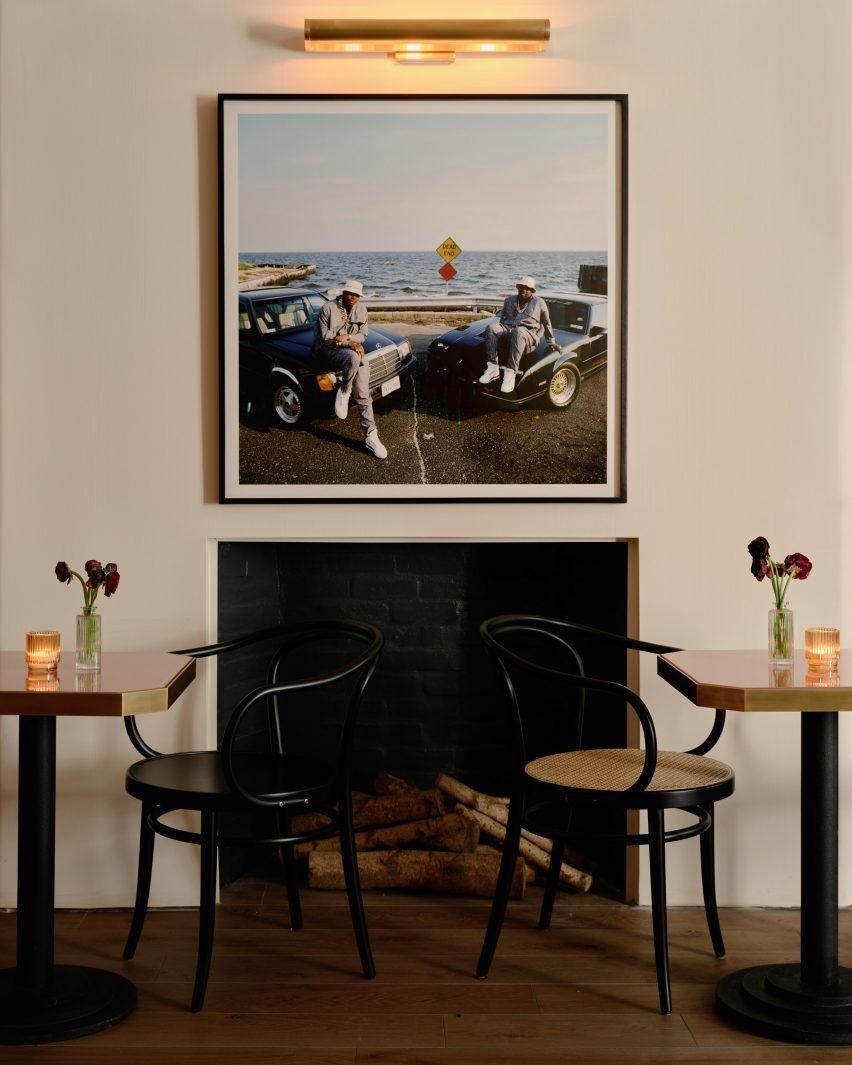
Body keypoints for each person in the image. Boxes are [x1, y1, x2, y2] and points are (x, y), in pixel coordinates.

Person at [313, 279, 387, 460]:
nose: (353, 297)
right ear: (343, 292)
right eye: (350, 293)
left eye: (356, 295)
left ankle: (371, 436)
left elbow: (364, 334)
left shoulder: (361, 309)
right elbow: (326, 338)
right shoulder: (328, 308)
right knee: (354, 356)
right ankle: (344, 391)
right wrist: (351, 342)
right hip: (327, 350)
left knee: (363, 393)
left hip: (351, 351)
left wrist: (350, 339)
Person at [478, 276, 559, 394]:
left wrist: (551, 341)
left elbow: (546, 323)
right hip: (508, 329)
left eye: (527, 288)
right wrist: (497, 336)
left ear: (532, 291)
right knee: (491, 327)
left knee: (518, 331)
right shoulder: (509, 300)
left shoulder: (539, 303)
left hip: (528, 336)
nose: (523, 290)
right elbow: (502, 319)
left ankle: (511, 372)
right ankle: (493, 368)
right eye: (521, 287)